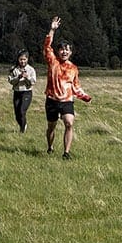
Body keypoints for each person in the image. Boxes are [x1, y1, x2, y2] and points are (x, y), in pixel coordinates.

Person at [42, 14, 90, 159]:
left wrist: (85, 96)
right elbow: (46, 46)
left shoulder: (73, 68)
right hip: (52, 99)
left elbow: (75, 86)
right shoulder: (52, 61)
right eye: (62, 49)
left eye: (67, 50)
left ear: (70, 52)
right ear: (58, 51)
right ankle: (50, 147)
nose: (64, 52)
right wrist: (52, 30)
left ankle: (66, 153)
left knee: (69, 123)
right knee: (51, 126)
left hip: (67, 101)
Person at [8, 50, 36, 132]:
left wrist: (27, 77)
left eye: (24, 59)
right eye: (21, 59)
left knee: (22, 111)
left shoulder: (31, 69)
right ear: (18, 59)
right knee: (17, 115)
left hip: (26, 92)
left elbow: (33, 82)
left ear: (27, 59)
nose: (23, 61)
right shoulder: (14, 69)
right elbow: (10, 81)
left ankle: (22, 130)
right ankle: (23, 125)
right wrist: (18, 77)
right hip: (17, 92)